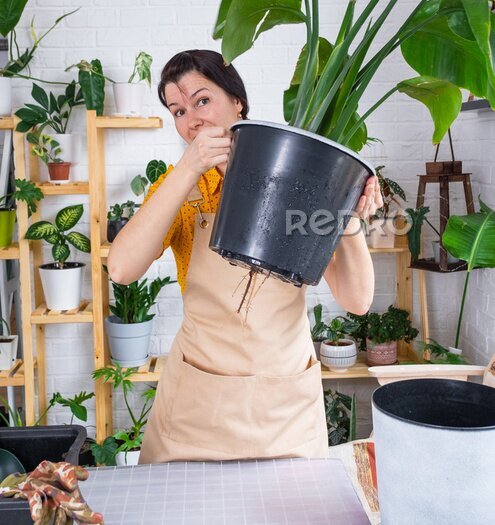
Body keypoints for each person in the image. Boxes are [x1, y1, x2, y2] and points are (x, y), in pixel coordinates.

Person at [107, 49, 382, 463]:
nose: (192, 120)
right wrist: (188, 169)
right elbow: (123, 269)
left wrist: (347, 208)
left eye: (202, 100)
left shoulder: (298, 179)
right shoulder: (180, 189)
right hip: (196, 409)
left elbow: (357, 300)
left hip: (284, 405)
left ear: (238, 101)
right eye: (178, 111)